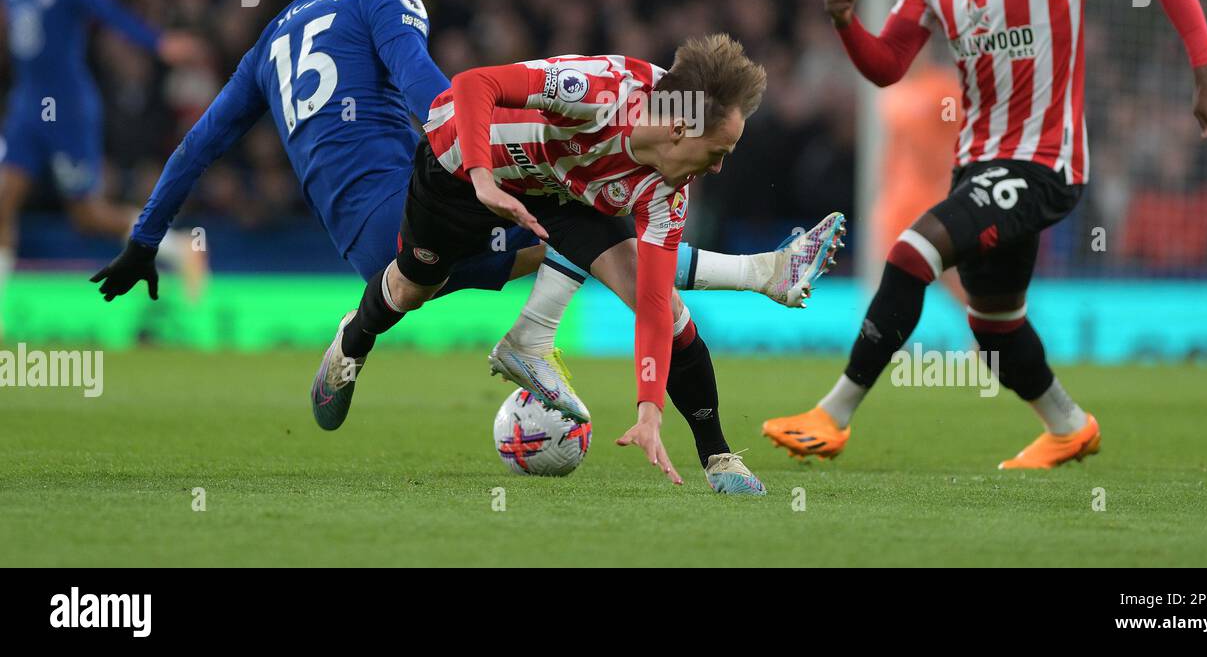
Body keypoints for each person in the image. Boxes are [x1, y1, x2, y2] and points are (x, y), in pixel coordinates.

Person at [763, 0, 1207, 469]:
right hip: (977, 164)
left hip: (1045, 163)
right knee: (992, 323)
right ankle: (1070, 425)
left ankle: (833, 413)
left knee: (910, 251)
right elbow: (887, 66)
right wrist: (847, 26)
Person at [312, 36, 835, 490]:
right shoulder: (600, 90)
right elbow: (474, 85)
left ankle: (718, 457)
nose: (719, 168)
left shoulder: (667, 191)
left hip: (556, 190)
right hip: (458, 167)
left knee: (667, 309)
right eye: (717, 151)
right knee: (411, 288)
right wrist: (481, 177)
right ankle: (352, 342)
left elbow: (652, 305)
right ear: (679, 129)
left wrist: (648, 410)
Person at [1, 0, 206, 325]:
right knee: (4, 200)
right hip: (25, 106)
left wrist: (158, 43)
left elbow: (110, 13)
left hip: (68, 109)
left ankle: (178, 247)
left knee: (88, 215)